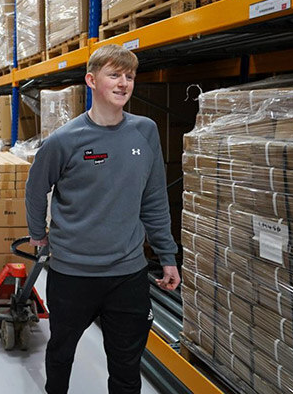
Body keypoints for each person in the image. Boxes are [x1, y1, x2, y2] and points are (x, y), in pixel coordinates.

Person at [25, 44, 180, 394]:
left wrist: (167, 255)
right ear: (91, 80)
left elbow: (153, 198)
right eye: (115, 75)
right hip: (73, 273)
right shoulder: (64, 141)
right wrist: (38, 234)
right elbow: (36, 190)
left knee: (126, 365)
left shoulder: (146, 132)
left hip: (127, 274)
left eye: (129, 76)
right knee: (62, 352)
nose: (124, 83)